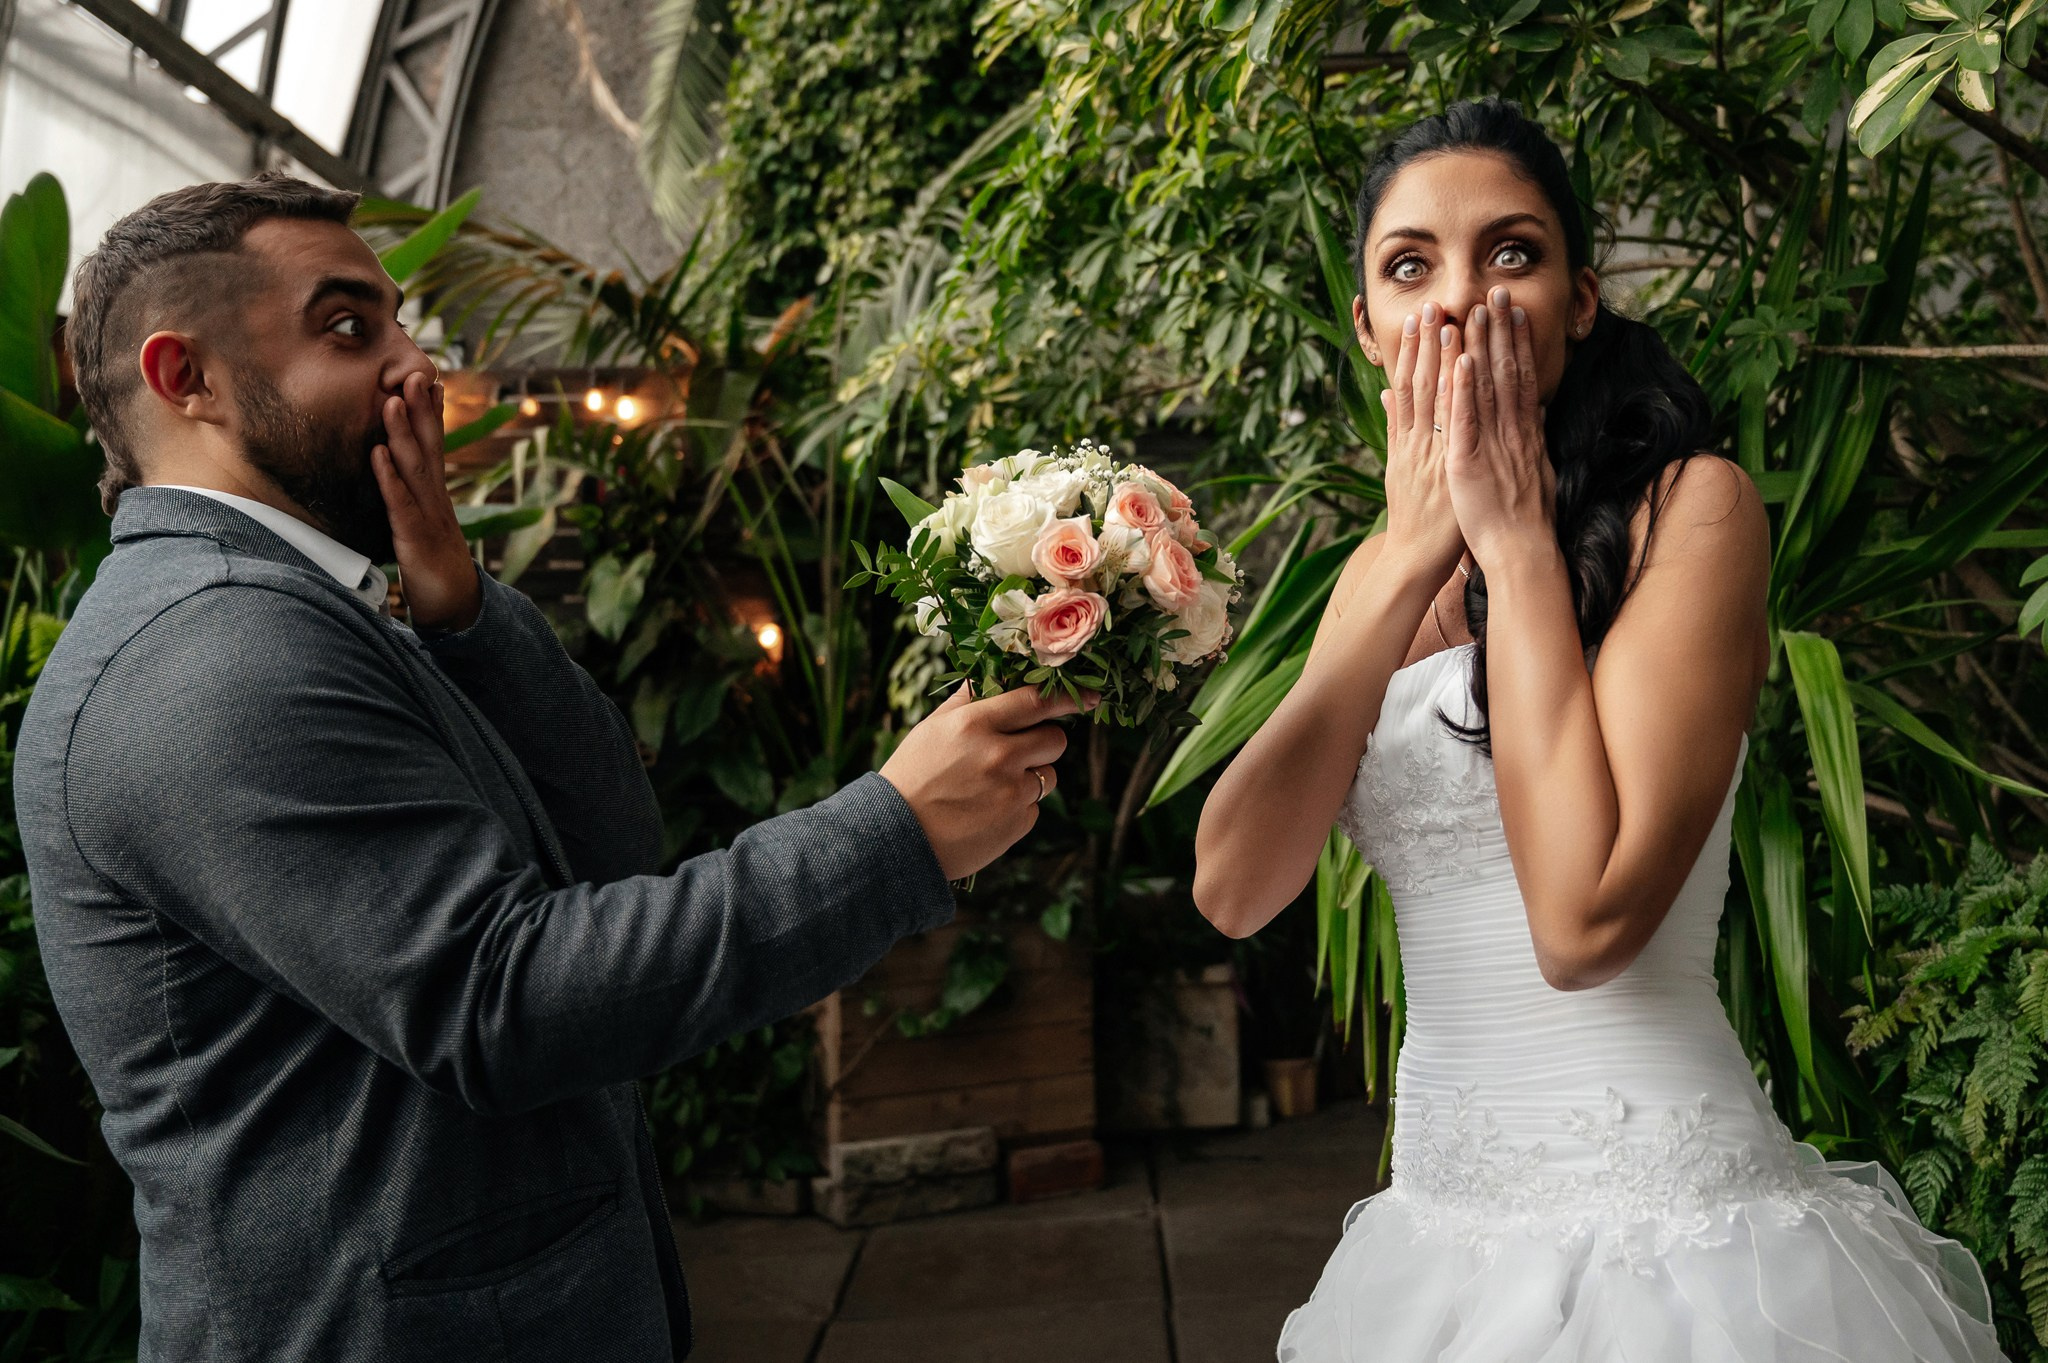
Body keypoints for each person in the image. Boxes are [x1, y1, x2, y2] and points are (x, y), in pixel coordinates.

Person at [13, 173, 1075, 1363]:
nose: (417, 369)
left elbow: (612, 849)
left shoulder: (325, 611)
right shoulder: (209, 653)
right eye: (349, 328)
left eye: (403, 322)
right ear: (185, 377)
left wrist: (462, 608)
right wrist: (893, 834)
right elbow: (500, 1000)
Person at [1194, 98, 2005, 1361]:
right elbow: (1235, 885)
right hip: (1433, 1243)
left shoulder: (1694, 514)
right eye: (1409, 267)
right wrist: (1408, 557)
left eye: (1510, 253)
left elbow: (1580, 925)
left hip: (1676, 1254)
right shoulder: (1373, 574)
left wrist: (1513, 546)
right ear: (1367, 329)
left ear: (1579, 297)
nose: (1459, 300)